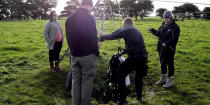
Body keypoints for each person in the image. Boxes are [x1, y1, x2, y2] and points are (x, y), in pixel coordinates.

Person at [99, 17, 148, 105]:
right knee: (138, 78)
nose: (123, 26)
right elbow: (133, 44)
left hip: (134, 57)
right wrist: (123, 52)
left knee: (120, 74)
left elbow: (115, 35)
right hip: (143, 57)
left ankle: (123, 99)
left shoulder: (127, 29)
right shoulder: (137, 30)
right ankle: (139, 98)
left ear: (126, 23)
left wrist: (103, 36)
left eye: (123, 25)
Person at [65, 0, 99, 104]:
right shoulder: (89, 18)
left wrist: (72, 50)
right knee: (87, 81)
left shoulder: (69, 19)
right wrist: (96, 52)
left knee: (76, 82)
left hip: (74, 55)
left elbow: (68, 38)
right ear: (89, 6)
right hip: (88, 55)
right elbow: (93, 37)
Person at [149, 10, 180, 88]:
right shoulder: (163, 25)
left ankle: (170, 80)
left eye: (167, 17)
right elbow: (158, 34)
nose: (166, 19)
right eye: (165, 17)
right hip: (161, 47)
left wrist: (166, 43)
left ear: (171, 17)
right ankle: (163, 78)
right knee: (162, 62)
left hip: (169, 48)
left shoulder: (175, 27)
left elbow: (175, 39)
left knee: (170, 63)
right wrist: (152, 30)